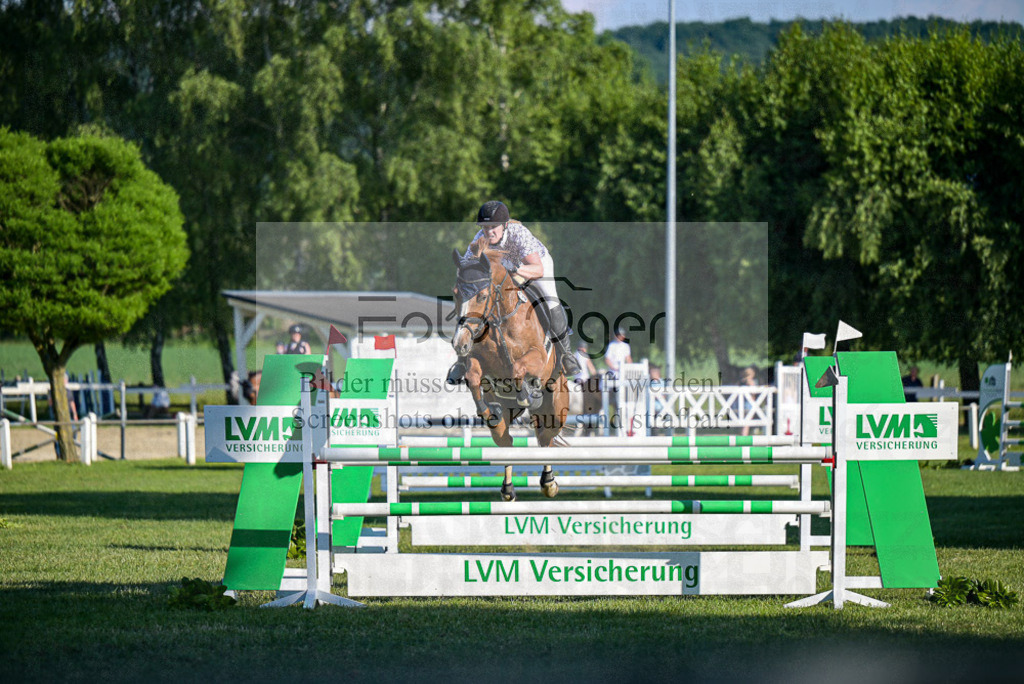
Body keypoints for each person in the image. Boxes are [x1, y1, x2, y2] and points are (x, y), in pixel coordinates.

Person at [448, 200, 581, 382]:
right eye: (485, 227)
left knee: (550, 300)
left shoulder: (518, 234)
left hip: (532, 266)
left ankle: (566, 354)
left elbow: (538, 270)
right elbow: (468, 266)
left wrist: (516, 270)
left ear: (504, 225)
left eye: (493, 227)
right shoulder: (480, 238)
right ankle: (462, 361)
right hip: (505, 272)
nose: (489, 231)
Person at [740, 365, 758, 436]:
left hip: (743, 403)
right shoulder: (750, 382)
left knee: (745, 421)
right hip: (749, 403)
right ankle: (744, 435)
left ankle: (744, 433)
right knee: (747, 421)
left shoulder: (742, 381)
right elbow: (753, 392)